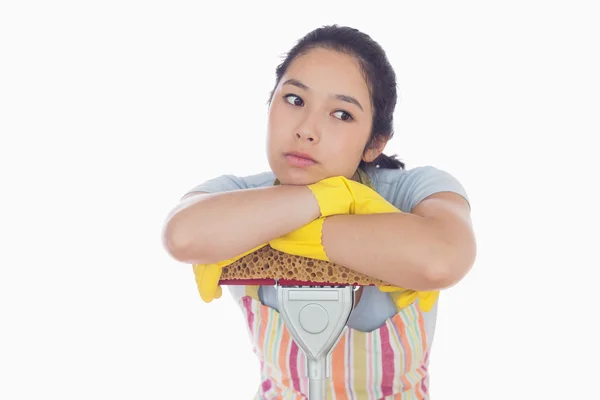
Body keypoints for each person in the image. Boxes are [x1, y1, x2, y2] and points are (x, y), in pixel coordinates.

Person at [162, 24, 476, 399]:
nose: (307, 130)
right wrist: (328, 198)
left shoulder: (411, 192)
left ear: (374, 142)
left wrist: (271, 229)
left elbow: (442, 258)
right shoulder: (238, 192)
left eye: (342, 114)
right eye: (294, 100)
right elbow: (183, 236)